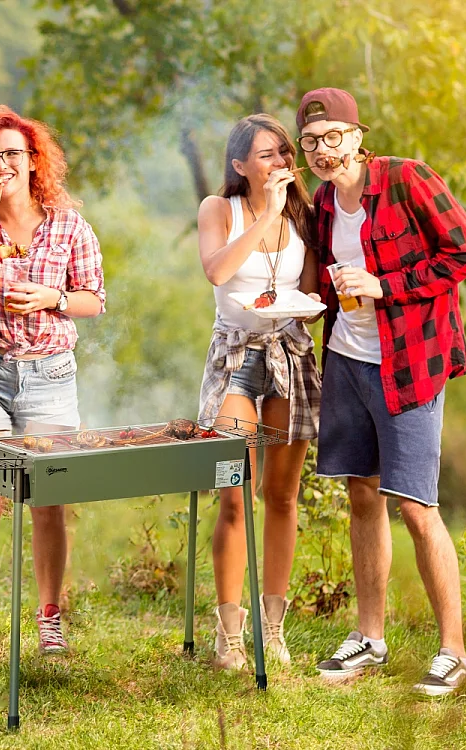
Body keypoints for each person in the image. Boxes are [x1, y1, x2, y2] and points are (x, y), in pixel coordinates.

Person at [296, 88, 466, 695]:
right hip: (348, 359)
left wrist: (387, 285)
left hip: (410, 364)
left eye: (333, 138)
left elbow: (465, 254)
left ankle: (453, 651)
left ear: (357, 134)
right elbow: (329, 282)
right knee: (362, 495)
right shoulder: (324, 204)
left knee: (415, 507)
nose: (323, 152)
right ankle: (370, 638)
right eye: (311, 144)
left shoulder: (407, 180)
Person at [0, 104, 106, 665]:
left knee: (48, 501)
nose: (2, 163)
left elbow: (92, 299)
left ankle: (50, 619)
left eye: (13, 153)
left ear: (33, 161)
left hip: (49, 375)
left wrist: (51, 298)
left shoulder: (68, 224)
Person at [196, 113, 323, 669]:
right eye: (266, 155)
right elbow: (218, 273)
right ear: (240, 163)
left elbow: (311, 293)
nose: (279, 164)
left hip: (290, 352)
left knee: (283, 495)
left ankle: (272, 629)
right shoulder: (218, 209)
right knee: (233, 491)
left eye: (283, 153)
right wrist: (265, 213)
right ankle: (229, 632)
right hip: (235, 357)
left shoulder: (304, 214)